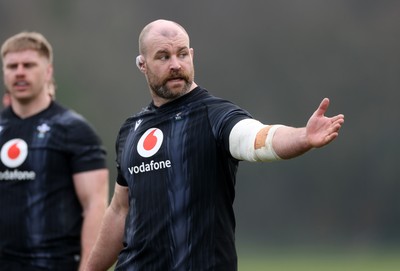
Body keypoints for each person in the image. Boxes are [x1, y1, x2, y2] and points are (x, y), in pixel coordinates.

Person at [85, 19, 345, 271]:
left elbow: (256, 138)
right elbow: (120, 209)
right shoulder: (132, 129)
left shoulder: (214, 115)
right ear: (142, 64)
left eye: (182, 54)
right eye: (163, 57)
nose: (175, 64)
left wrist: (302, 137)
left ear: (192, 55)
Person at [0, 32, 109, 271]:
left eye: (28, 65)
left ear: (48, 71)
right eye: (11, 66)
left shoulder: (74, 130)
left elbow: (95, 206)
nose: (19, 72)